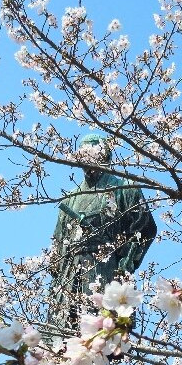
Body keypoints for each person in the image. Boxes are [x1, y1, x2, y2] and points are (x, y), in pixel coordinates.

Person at [47, 134, 157, 335]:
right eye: (83, 155)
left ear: (105, 156)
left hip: (105, 266)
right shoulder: (70, 198)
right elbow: (58, 240)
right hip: (70, 270)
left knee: (103, 332)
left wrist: (127, 260)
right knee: (63, 338)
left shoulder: (125, 188)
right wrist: (56, 268)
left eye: (93, 154)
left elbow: (146, 228)